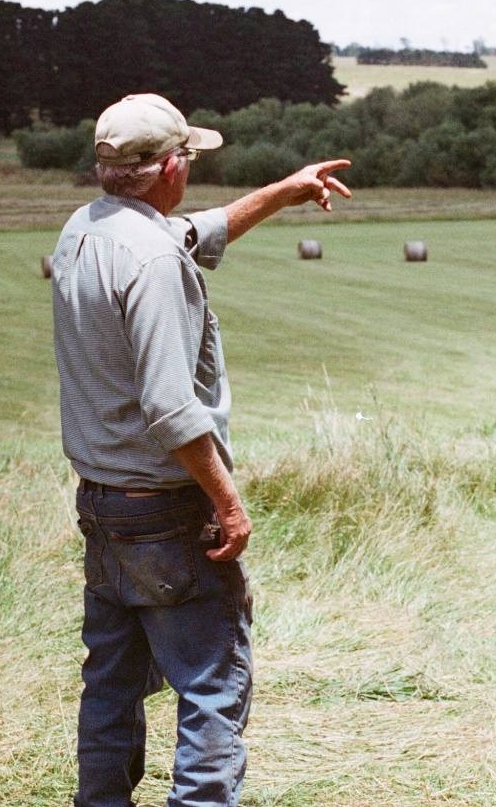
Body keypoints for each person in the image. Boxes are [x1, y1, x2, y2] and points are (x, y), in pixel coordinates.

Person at [51, 93, 351, 807]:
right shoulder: (153, 259)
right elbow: (171, 407)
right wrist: (227, 498)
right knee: (213, 689)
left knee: (111, 685)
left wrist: (284, 191)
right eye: (188, 156)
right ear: (171, 167)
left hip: (102, 503)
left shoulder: (85, 230)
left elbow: (198, 230)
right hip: (164, 510)